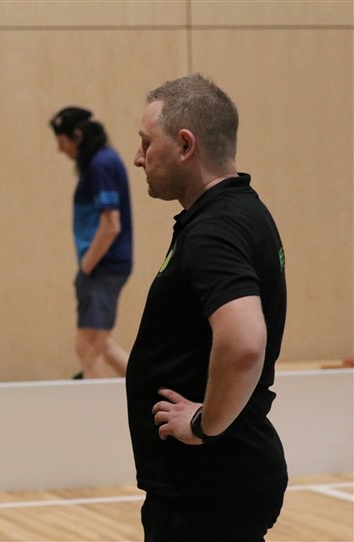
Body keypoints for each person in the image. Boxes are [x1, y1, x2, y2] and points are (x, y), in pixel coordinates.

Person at [126, 74, 288, 541]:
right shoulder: (242, 212)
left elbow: (244, 342)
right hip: (217, 482)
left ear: (185, 144)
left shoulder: (214, 229)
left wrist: (203, 425)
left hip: (207, 487)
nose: (138, 158)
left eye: (146, 143)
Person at [50, 107, 133, 378]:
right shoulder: (103, 161)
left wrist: (86, 267)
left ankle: (98, 405)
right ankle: (150, 393)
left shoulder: (101, 164)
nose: (60, 149)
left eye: (62, 141)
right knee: (101, 344)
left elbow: (111, 225)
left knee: (87, 346)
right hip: (105, 265)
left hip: (102, 266)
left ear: (77, 136)